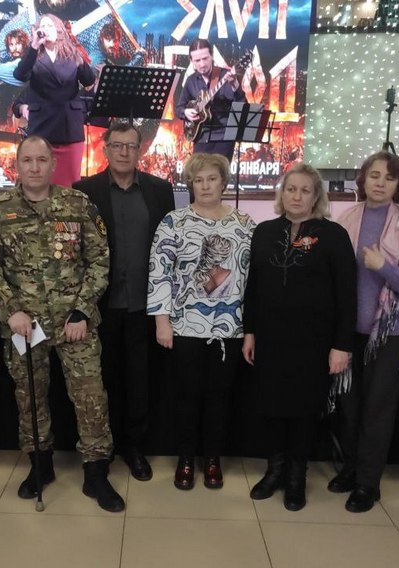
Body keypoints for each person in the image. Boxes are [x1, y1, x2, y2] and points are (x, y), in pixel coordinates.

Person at [0, 135, 125, 513]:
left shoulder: (77, 205)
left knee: (91, 396)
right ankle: (40, 465)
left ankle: (96, 471)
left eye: (41, 160)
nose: (34, 167)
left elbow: (99, 260)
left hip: (75, 323)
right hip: (25, 327)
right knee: (30, 397)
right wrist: (11, 311)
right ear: (17, 165)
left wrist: (82, 310)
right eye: (27, 160)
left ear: (52, 164)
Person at [241, 162, 356, 511]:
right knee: (271, 406)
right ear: (282, 193)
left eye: (305, 190)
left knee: (304, 411)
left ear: (316, 196)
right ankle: (274, 470)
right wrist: (249, 332)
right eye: (291, 189)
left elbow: (347, 295)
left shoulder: (333, 235)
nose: (297, 196)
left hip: (314, 342)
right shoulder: (264, 231)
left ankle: (296, 477)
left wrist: (342, 345)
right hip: (270, 338)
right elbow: (253, 287)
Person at [73, 122, 175, 481]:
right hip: (100, 304)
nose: (123, 152)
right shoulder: (84, 190)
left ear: (140, 150)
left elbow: (168, 247)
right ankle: (102, 448)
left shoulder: (160, 190)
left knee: (139, 380)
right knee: (102, 380)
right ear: (105, 149)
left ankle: (135, 447)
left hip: (145, 306)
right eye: (117, 145)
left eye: (131, 146)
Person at [328, 151, 399, 513]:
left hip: (389, 335)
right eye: (374, 175)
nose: (380, 183)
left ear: (398, 184)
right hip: (347, 332)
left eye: (389, 177)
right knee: (349, 406)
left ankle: (368, 484)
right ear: (363, 179)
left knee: (377, 410)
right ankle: (352, 468)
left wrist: (383, 266)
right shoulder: (346, 219)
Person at [147, 153, 255, 491]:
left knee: (219, 397)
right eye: (198, 180)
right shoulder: (174, 222)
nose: (205, 186)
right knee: (187, 396)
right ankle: (185, 458)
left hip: (231, 327)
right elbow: (159, 272)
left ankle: (212, 459)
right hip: (184, 326)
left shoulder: (245, 224)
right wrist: (161, 321)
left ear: (223, 182)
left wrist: (251, 328)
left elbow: (253, 279)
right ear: (191, 184)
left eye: (212, 179)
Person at [13, 13, 95, 187]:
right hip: (43, 128)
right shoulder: (33, 56)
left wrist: (80, 60)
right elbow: (20, 75)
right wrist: (34, 46)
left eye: (49, 25)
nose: (45, 29)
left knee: (69, 184)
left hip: (69, 128)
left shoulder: (72, 54)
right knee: (42, 184)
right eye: (42, 26)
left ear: (59, 30)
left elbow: (89, 80)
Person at [176, 39, 246, 161]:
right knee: (199, 171)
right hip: (200, 137)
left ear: (211, 56)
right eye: (197, 60)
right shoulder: (191, 81)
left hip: (223, 138)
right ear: (191, 61)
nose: (202, 64)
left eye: (205, 58)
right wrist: (186, 112)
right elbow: (179, 109)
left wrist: (235, 85)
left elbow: (243, 105)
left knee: (218, 171)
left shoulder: (226, 76)